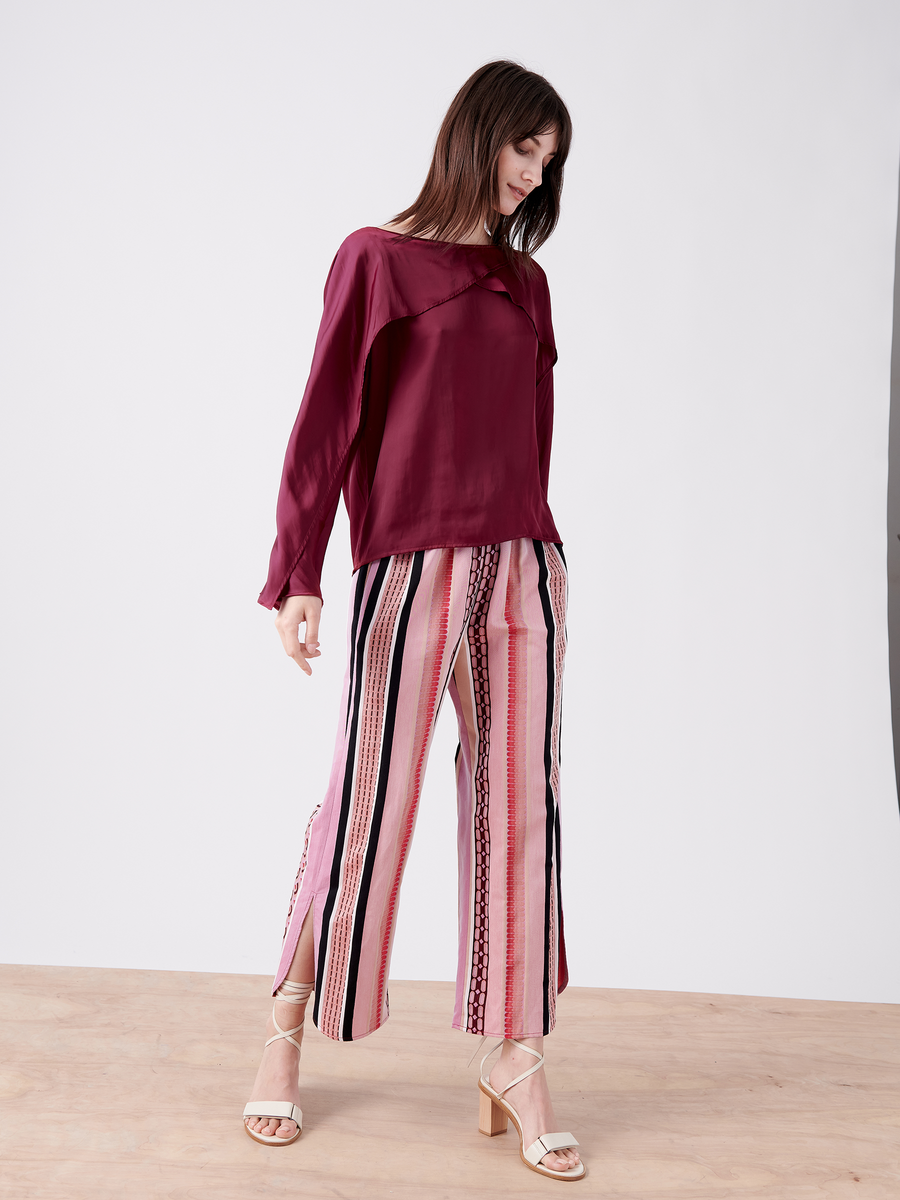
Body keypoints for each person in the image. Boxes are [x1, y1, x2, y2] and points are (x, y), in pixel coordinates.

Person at [243, 59, 584, 1182]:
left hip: (523, 566)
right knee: (368, 802)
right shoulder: (378, 259)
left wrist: (532, 555)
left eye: (549, 160)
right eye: (522, 147)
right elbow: (325, 418)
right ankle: (291, 1014)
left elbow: (529, 439)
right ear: (475, 133)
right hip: (409, 564)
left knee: (517, 808)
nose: (532, 175)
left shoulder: (525, 287)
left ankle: (515, 1052)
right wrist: (300, 570)